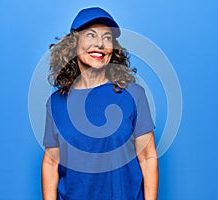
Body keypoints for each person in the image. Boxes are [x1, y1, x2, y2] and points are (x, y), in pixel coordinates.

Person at [41, 7, 158, 200]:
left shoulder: (133, 95)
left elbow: (148, 158)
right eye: (91, 35)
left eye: (107, 38)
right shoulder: (56, 103)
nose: (100, 44)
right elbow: (51, 163)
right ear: (74, 44)